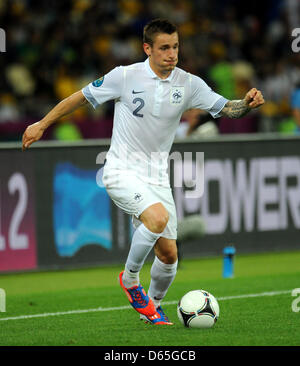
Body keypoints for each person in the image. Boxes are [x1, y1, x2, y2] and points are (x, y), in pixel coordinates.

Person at [22, 19, 264, 325]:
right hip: (121, 169)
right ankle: (130, 279)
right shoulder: (125, 76)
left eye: (175, 46)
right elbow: (80, 97)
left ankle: (152, 308)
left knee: (169, 256)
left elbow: (227, 108)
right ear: (147, 48)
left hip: (157, 177)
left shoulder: (188, 84)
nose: (171, 53)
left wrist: (247, 103)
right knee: (157, 218)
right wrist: (42, 123)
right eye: (164, 47)